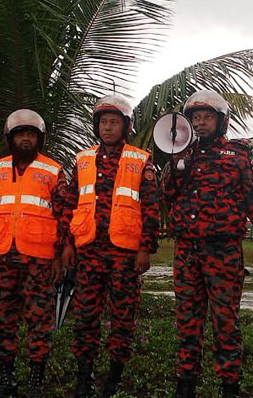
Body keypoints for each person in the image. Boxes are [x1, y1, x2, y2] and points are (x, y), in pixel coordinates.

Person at [160, 89, 253, 398]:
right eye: (196, 118)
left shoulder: (238, 155)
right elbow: (166, 197)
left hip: (223, 250)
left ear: (221, 121)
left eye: (208, 117)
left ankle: (230, 384)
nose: (201, 123)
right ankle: (186, 381)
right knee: (187, 318)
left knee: (225, 320)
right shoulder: (180, 152)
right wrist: (175, 164)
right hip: (187, 251)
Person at [61, 93, 159, 397]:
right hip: (88, 251)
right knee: (86, 316)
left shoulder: (141, 160)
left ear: (126, 126)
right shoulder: (82, 159)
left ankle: (114, 378)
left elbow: (151, 208)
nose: (107, 128)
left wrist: (145, 248)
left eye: (114, 122)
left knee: (123, 317)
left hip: (125, 255)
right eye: (103, 122)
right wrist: (67, 245)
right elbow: (70, 204)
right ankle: (84, 377)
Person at [0, 109, 67, 398]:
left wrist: (59, 257)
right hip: (2, 256)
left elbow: (65, 217)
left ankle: (36, 379)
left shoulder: (53, 170)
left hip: (39, 260)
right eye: (20, 134)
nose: (25, 138)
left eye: (30, 134)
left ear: (39, 138)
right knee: (2, 320)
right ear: (10, 138)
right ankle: (7, 377)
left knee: (39, 320)